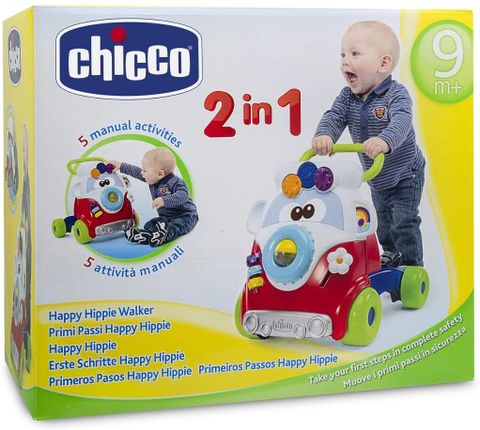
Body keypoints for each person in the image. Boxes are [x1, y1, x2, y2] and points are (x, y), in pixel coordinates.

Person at [312, 21, 426, 278]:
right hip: (377, 177)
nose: (345, 61)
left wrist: (385, 140)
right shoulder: (347, 97)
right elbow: (334, 117)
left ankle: (412, 268)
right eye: (343, 54)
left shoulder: (396, 95)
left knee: (403, 220)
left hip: (406, 173)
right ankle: (391, 254)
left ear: (383, 64)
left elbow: (401, 121)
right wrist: (324, 135)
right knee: (382, 221)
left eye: (355, 54)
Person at [109, 148, 198, 247]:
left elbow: (183, 195)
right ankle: (146, 235)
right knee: (150, 224)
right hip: (167, 218)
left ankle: (164, 235)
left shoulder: (175, 182)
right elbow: (136, 172)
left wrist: (164, 200)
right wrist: (121, 166)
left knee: (176, 226)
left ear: (160, 173)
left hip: (186, 215)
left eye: (145, 170)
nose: (142, 173)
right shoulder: (153, 179)